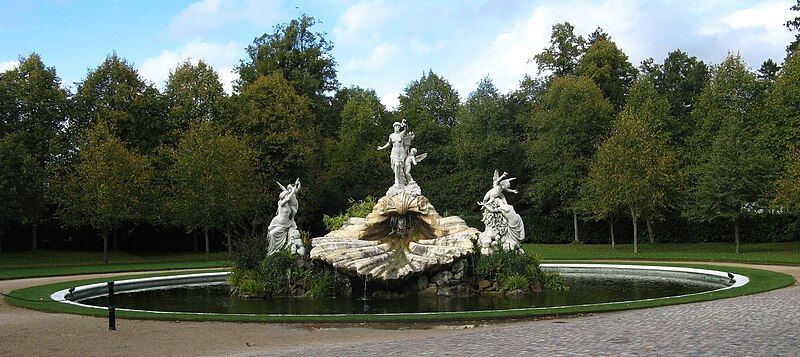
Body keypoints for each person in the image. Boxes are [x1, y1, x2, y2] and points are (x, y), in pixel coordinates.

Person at [268, 179, 301, 254]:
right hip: (278, 222)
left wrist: (297, 185)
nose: (288, 193)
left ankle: (284, 249)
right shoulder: (282, 203)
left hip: (286, 222)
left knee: (291, 231)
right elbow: (288, 197)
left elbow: (287, 190)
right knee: (273, 234)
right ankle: (273, 250)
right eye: (286, 194)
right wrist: (293, 189)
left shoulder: (289, 204)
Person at [378, 119, 414, 186]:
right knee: (396, 164)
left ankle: (402, 182)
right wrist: (382, 147)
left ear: (400, 127)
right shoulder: (391, 135)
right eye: (395, 126)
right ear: (394, 127)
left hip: (401, 153)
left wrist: (405, 125)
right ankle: (396, 181)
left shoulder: (401, 134)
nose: (397, 128)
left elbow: (406, 130)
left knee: (401, 168)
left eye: (398, 126)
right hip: (394, 152)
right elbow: (389, 143)